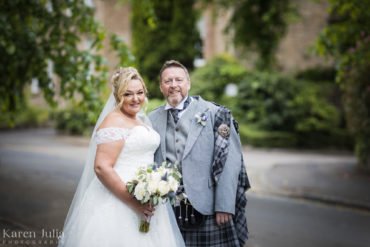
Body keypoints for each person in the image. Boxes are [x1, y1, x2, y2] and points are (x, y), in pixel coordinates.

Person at [59, 67, 185, 247]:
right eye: (128, 94)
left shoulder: (139, 119)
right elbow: (102, 167)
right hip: (119, 200)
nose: (136, 99)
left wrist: (156, 187)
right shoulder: (114, 121)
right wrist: (134, 203)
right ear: (118, 96)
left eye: (140, 93)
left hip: (146, 198)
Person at [149, 60, 250, 247]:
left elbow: (229, 162)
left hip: (208, 208)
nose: (173, 85)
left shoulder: (215, 113)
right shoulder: (151, 119)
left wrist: (224, 205)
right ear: (161, 87)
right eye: (167, 81)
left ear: (188, 83)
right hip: (167, 211)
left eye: (178, 80)